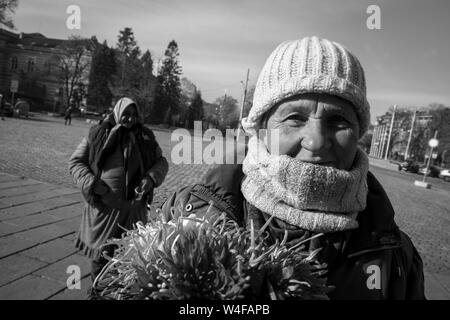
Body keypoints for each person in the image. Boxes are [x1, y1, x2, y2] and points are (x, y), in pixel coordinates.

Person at [158, 36, 425, 299]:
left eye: (338, 120)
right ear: (261, 129)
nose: (316, 141)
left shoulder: (396, 257)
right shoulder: (187, 218)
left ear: (358, 133)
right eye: (295, 118)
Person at [69, 97, 169, 289]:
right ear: (116, 113)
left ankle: (118, 293)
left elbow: (161, 162)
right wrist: (92, 183)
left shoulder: (145, 137)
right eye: (126, 114)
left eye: (134, 115)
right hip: (104, 211)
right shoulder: (97, 134)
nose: (130, 119)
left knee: (128, 260)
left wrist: (150, 178)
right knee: (101, 258)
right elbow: (75, 163)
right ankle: (97, 292)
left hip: (133, 212)